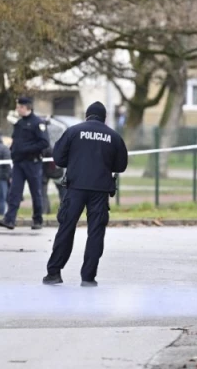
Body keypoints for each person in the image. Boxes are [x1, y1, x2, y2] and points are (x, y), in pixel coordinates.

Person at [43, 102, 128, 287]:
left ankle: (54, 273)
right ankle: (88, 277)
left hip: (75, 188)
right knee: (96, 232)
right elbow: (121, 165)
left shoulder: (73, 132)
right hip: (100, 190)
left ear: (87, 116)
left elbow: (58, 158)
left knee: (66, 228)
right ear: (104, 118)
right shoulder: (113, 136)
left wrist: (75, 161)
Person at [0, 97, 49, 230]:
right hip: (19, 163)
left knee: (36, 192)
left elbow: (44, 143)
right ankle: (9, 220)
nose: (17, 109)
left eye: (19, 107)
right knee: (14, 192)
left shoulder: (38, 123)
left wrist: (25, 148)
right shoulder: (19, 123)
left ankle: (37, 220)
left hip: (33, 163)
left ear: (26, 107)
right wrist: (13, 150)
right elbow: (16, 141)